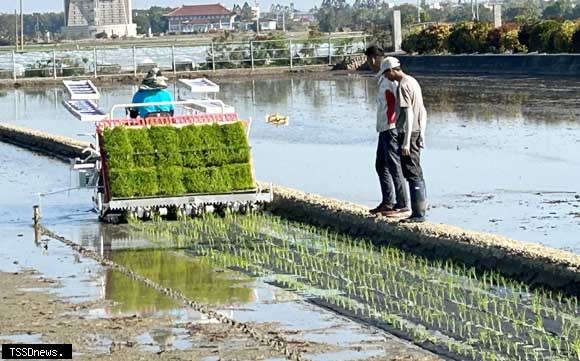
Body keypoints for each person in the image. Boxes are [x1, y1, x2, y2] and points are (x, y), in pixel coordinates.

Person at [381, 57, 427, 222]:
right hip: (416, 131)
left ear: (393, 70)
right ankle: (418, 211)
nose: (386, 77)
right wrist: (422, 133)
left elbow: (409, 114)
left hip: (408, 133)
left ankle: (418, 214)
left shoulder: (403, 86)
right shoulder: (413, 82)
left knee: (412, 172)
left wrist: (406, 141)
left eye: (386, 73)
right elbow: (423, 110)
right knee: (415, 171)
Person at [364, 46, 409, 216]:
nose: (369, 64)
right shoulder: (383, 78)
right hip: (384, 128)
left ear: (373, 59)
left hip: (390, 128)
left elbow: (399, 103)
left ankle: (402, 203)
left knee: (393, 165)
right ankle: (388, 202)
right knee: (381, 165)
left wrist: (396, 124)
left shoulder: (390, 79)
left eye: (369, 60)